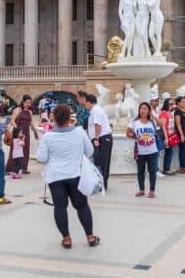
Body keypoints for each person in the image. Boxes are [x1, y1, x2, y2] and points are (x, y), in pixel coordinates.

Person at [36, 104, 99, 249]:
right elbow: (89, 151)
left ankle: (66, 239)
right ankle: (90, 236)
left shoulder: (48, 136)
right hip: (75, 175)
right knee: (82, 206)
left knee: (60, 207)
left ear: (54, 118)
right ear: (70, 117)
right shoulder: (79, 132)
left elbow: (41, 157)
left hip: (56, 177)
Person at [126, 102, 159, 198]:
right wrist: (136, 137)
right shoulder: (134, 122)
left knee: (152, 171)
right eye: (141, 108)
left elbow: (162, 123)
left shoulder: (152, 121)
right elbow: (128, 133)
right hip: (140, 151)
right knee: (140, 171)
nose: (143, 110)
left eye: (145, 108)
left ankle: (152, 191)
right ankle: (141, 190)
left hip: (152, 150)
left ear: (148, 110)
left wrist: (153, 115)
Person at [85, 94, 113, 190]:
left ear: (88, 102)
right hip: (103, 138)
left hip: (102, 139)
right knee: (100, 161)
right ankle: (101, 183)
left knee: (102, 162)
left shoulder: (95, 110)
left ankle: (102, 184)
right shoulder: (96, 109)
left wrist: (96, 138)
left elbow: (98, 125)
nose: (86, 106)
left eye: (86, 104)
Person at [6, 95, 39, 174]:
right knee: (15, 150)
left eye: (30, 102)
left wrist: (35, 132)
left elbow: (31, 123)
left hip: (26, 132)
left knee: (26, 149)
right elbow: (12, 121)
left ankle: (24, 168)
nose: (28, 104)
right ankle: (9, 168)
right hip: (17, 133)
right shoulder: (18, 110)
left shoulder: (30, 112)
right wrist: (18, 130)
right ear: (23, 102)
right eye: (27, 102)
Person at [148, 94, 165, 179]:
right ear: (150, 101)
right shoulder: (149, 110)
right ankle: (154, 170)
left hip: (157, 132)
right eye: (155, 100)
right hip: (152, 133)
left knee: (157, 152)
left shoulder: (156, 110)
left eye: (158, 100)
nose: (157, 102)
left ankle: (154, 169)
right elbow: (159, 122)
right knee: (155, 153)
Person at [173, 96, 185, 174]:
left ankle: (183, 166)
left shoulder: (184, 110)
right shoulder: (177, 111)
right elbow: (178, 123)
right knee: (182, 150)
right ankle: (183, 167)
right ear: (178, 103)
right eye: (183, 102)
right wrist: (181, 134)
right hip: (181, 132)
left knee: (184, 150)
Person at [159, 98, 177, 175]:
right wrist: (166, 138)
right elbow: (162, 126)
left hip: (171, 135)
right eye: (170, 104)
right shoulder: (164, 113)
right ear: (166, 104)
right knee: (169, 152)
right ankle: (166, 169)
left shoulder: (170, 113)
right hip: (166, 136)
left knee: (169, 152)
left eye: (172, 104)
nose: (171, 105)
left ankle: (167, 168)